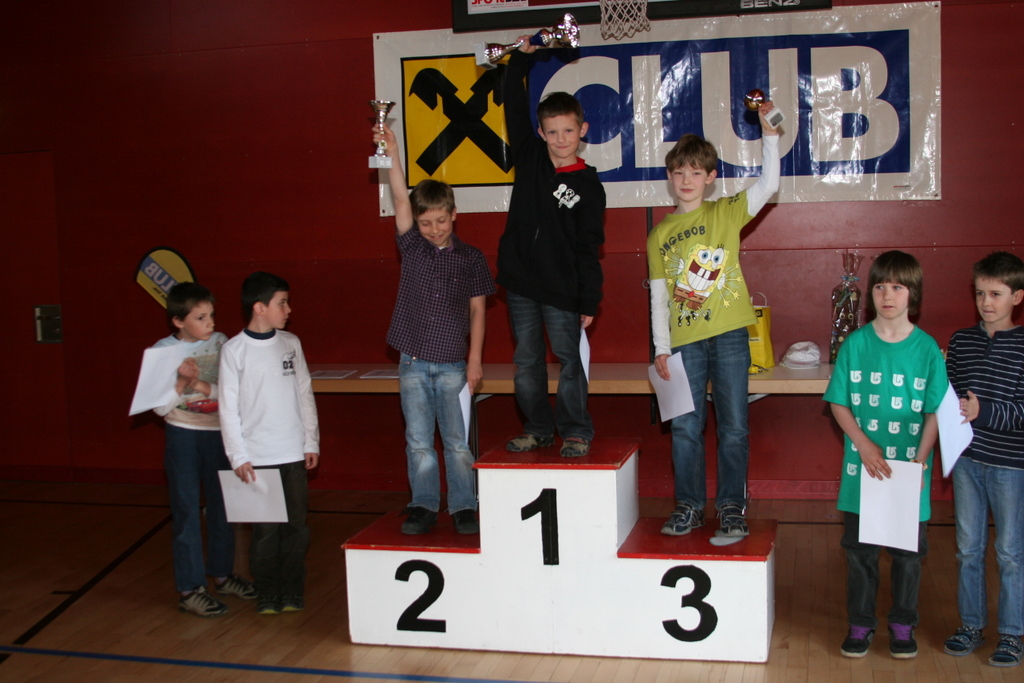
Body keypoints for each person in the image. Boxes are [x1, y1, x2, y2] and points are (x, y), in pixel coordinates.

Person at [647, 101, 781, 538]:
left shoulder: (726, 212)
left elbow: (769, 183)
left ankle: (731, 508)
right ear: (670, 178)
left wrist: (770, 135)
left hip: (729, 336)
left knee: (734, 427)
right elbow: (659, 296)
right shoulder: (659, 235)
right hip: (684, 343)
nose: (686, 180)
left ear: (710, 177)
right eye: (678, 172)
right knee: (685, 426)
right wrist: (662, 348)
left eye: (695, 172)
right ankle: (688, 505)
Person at [824, 250, 947, 659]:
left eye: (897, 287)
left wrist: (921, 459)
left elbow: (935, 410)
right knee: (860, 553)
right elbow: (838, 402)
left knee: (908, 555)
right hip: (862, 472)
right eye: (879, 286)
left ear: (914, 294)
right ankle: (860, 624)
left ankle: (902, 623)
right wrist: (862, 443)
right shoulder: (855, 344)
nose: (887, 295)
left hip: (908, 472)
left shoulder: (927, 349)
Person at [373, 122, 494, 536]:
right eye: (426, 223)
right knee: (419, 441)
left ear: (454, 215)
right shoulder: (412, 246)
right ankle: (423, 504)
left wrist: (474, 361)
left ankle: (463, 505)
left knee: (457, 442)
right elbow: (398, 196)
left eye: (441, 220)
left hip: (453, 365)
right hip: (412, 361)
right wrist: (392, 152)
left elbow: (478, 311)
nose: (434, 229)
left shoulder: (471, 257)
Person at [496, 40, 606, 459]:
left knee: (568, 360)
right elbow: (512, 102)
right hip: (521, 284)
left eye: (568, 131)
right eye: (552, 131)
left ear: (583, 131)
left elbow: (589, 247)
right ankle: (538, 428)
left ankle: (576, 431)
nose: (561, 139)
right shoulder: (530, 158)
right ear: (541, 133)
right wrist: (522, 57)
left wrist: (589, 298)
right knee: (527, 361)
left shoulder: (589, 187)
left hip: (563, 289)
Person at [152, 282, 257, 616]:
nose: (210, 323)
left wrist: (198, 383)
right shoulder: (162, 351)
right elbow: (159, 408)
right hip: (182, 436)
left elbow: (230, 393)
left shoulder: (222, 343)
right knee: (186, 511)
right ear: (178, 321)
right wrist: (181, 383)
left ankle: (223, 576)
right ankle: (190, 589)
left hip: (218, 435)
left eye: (211, 315)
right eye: (200, 318)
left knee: (222, 508)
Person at [219, 271, 320, 615]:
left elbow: (304, 393)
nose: (289, 310)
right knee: (264, 532)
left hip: (293, 453)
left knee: (296, 529)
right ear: (259, 307)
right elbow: (228, 408)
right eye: (282, 303)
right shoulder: (233, 351)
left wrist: (311, 441)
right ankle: (267, 593)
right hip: (257, 458)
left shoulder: (291, 343)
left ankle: (291, 591)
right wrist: (238, 456)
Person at [943, 251, 1024, 668]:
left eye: (996, 294)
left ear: (1017, 297)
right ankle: (971, 625)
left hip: (1010, 465)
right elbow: (949, 395)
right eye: (979, 293)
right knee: (968, 549)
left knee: (1010, 552)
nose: (986, 302)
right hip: (967, 462)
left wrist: (983, 412)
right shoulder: (962, 341)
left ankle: (1011, 633)